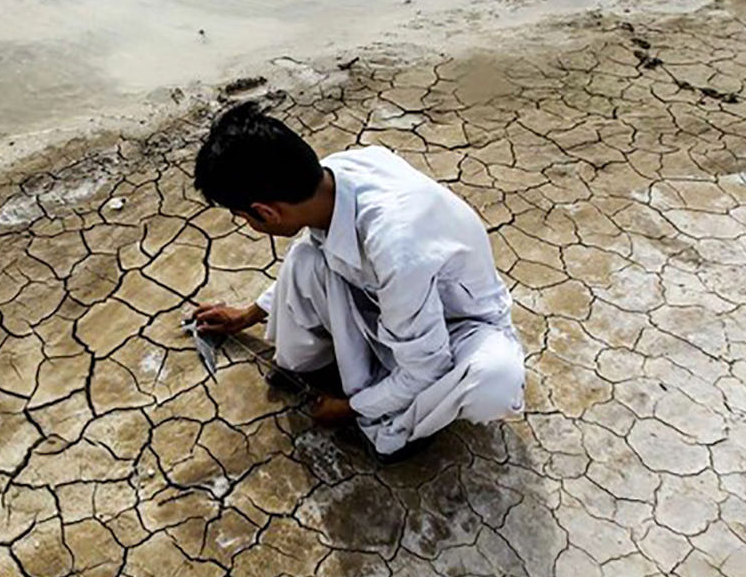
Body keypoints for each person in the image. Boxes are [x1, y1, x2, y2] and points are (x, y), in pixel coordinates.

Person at [191, 101, 525, 459]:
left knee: (493, 380)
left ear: (265, 211)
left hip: (460, 325)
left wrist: (350, 407)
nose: (249, 225)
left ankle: (404, 420)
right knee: (306, 259)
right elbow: (322, 251)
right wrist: (247, 315)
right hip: (390, 303)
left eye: (244, 217)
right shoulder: (331, 177)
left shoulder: (396, 243)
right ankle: (367, 379)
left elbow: (427, 366)